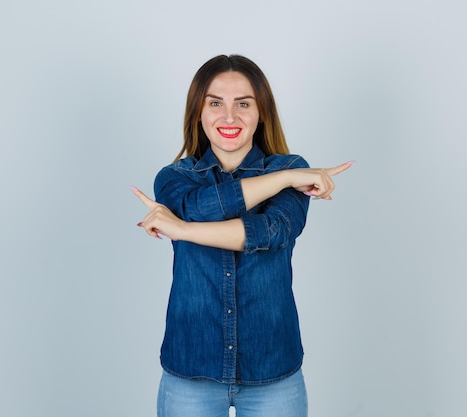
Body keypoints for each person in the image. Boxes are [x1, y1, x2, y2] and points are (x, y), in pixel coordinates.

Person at [132, 54, 352, 417]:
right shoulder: (174, 178)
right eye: (215, 103)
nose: (229, 117)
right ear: (198, 113)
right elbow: (196, 206)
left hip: (272, 369)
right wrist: (281, 183)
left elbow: (273, 231)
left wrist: (183, 231)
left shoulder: (292, 168)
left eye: (243, 103)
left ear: (261, 111)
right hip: (191, 367)